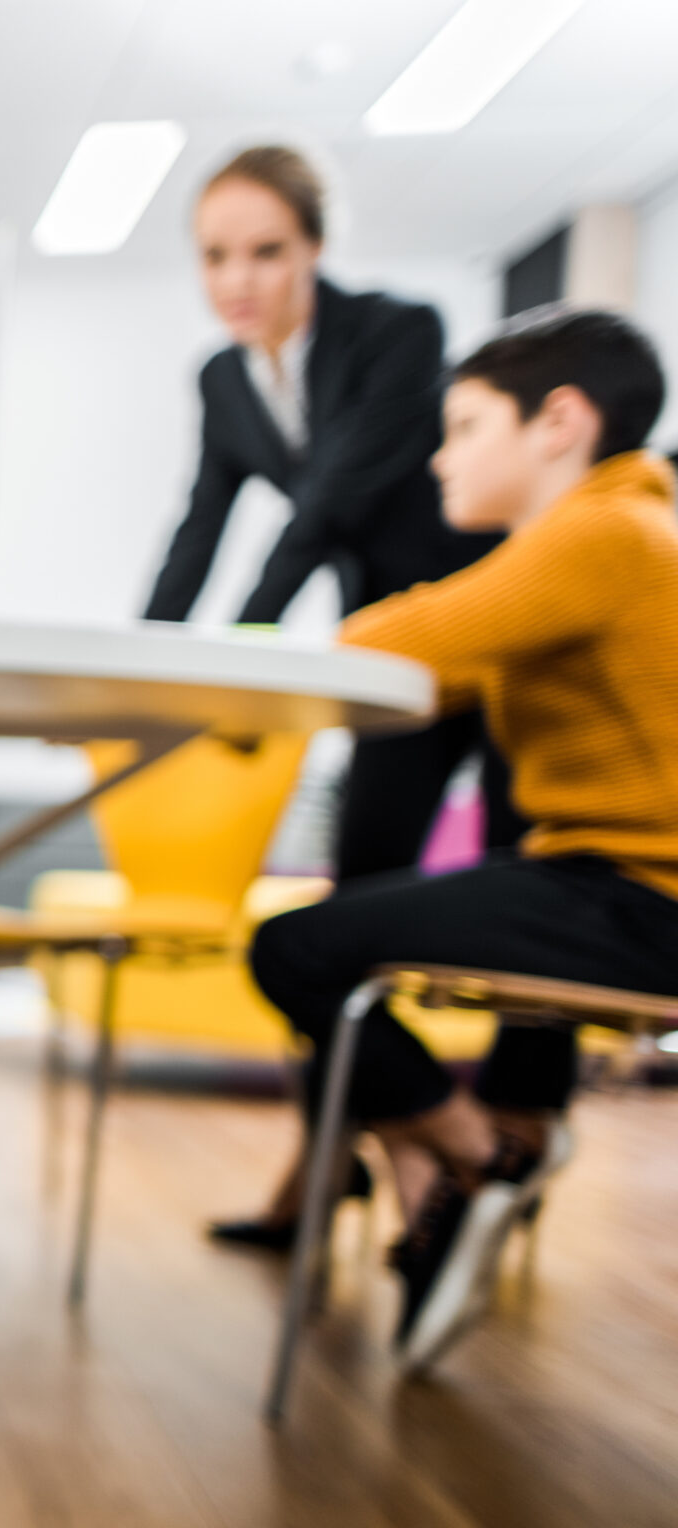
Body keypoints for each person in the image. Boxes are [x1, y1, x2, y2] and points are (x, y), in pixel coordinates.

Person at [248, 307, 678, 1374]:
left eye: (466, 425)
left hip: (638, 899)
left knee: (294, 949)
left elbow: (394, 637)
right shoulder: (621, 532)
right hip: (616, 884)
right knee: (332, 944)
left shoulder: (600, 532)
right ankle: (455, 1161)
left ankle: (478, 1157)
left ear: (559, 423)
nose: (439, 456)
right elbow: (439, 671)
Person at [140, 145, 530, 1249]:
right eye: (216, 255)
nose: (239, 279)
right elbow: (198, 525)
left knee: (512, 874)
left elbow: (324, 506)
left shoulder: (396, 332)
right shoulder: (223, 379)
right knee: (354, 894)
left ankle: (506, 1127)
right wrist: (145, 660)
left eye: (267, 251)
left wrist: (246, 644)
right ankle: (334, 1158)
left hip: (483, 644)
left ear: (313, 249)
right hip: (387, 670)